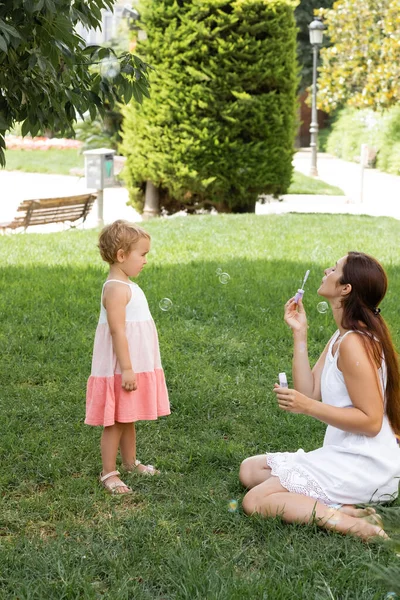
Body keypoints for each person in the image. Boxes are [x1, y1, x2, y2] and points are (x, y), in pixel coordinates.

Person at [240, 252, 400, 540]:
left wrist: (308, 407)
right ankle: (346, 507)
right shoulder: (342, 335)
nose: (327, 269)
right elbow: (308, 390)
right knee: (250, 469)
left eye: (335, 268)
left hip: (366, 464)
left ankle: (355, 524)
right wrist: (300, 333)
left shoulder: (355, 343)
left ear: (345, 289)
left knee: (255, 500)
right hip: (344, 453)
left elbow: (371, 421)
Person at [85, 220, 170, 494]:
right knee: (116, 421)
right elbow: (118, 331)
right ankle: (109, 471)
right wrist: (128, 369)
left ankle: (131, 463)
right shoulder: (115, 289)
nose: (145, 260)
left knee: (127, 416)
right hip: (122, 368)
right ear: (121, 256)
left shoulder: (126, 285)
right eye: (142, 255)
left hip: (133, 366)